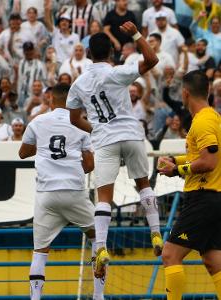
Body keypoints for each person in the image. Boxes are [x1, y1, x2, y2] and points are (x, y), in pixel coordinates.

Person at [66, 23, 162, 297]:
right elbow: (152, 60)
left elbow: (74, 118)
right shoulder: (118, 72)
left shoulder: (79, 84)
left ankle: (101, 248)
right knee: (143, 184)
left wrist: (94, 128)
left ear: (86, 53)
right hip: (131, 135)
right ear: (111, 51)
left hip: (105, 139)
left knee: (104, 197)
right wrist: (135, 34)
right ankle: (155, 232)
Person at [19, 83, 99, 300]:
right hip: (73, 190)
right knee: (98, 238)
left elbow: (23, 153)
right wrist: (71, 171)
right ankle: (99, 296)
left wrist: (43, 146)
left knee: (40, 251)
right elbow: (90, 164)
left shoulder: (38, 122)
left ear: (51, 100)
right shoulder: (80, 125)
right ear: (73, 100)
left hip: (47, 193)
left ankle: (35, 298)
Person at [157, 71, 221, 300]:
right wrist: (176, 161)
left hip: (202, 198)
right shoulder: (211, 117)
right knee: (214, 261)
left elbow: (209, 161)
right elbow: (201, 156)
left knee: (170, 254)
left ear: (185, 93)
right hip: (213, 198)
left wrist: (176, 170)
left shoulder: (202, 121)